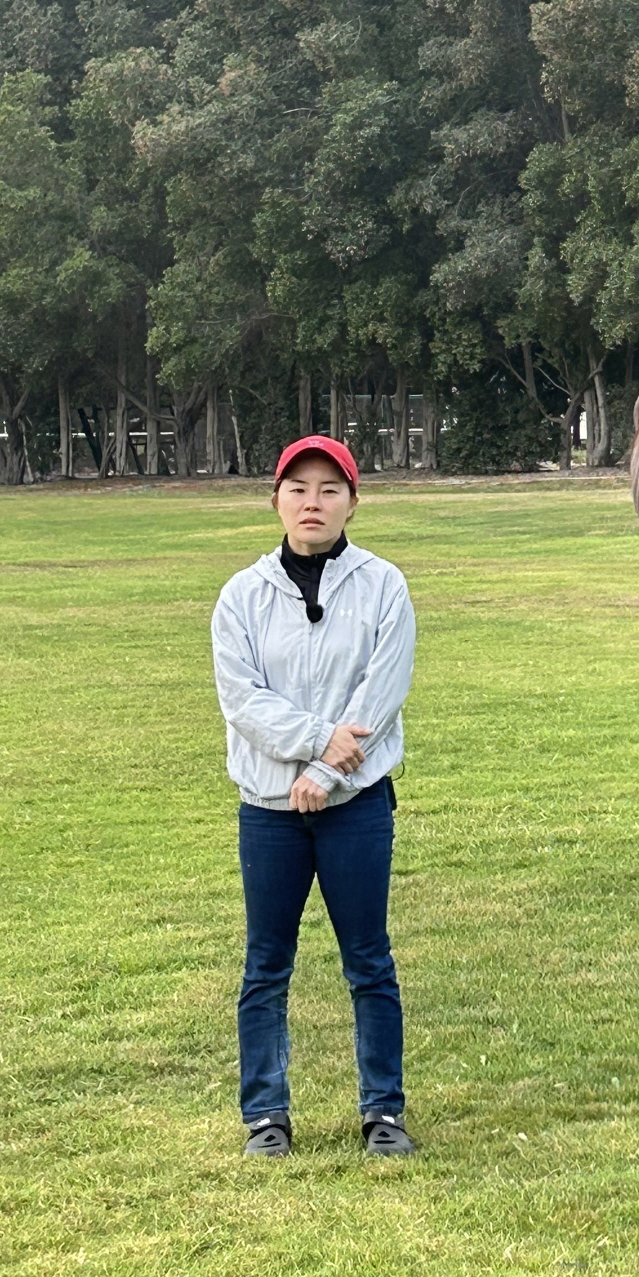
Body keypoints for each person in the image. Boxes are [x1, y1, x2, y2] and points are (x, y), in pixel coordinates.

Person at [211, 435, 417, 1157]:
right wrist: (315, 744)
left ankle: (382, 1112)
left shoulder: (384, 585)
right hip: (269, 811)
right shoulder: (241, 595)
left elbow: (382, 693)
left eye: (330, 489)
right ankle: (266, 1116)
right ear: (275, 500)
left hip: (355, 807)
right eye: (298, 488)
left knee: (369, 960)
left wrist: (329, 772)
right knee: (267, 963)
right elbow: (243, 700)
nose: (313, 502)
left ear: (353, 501)